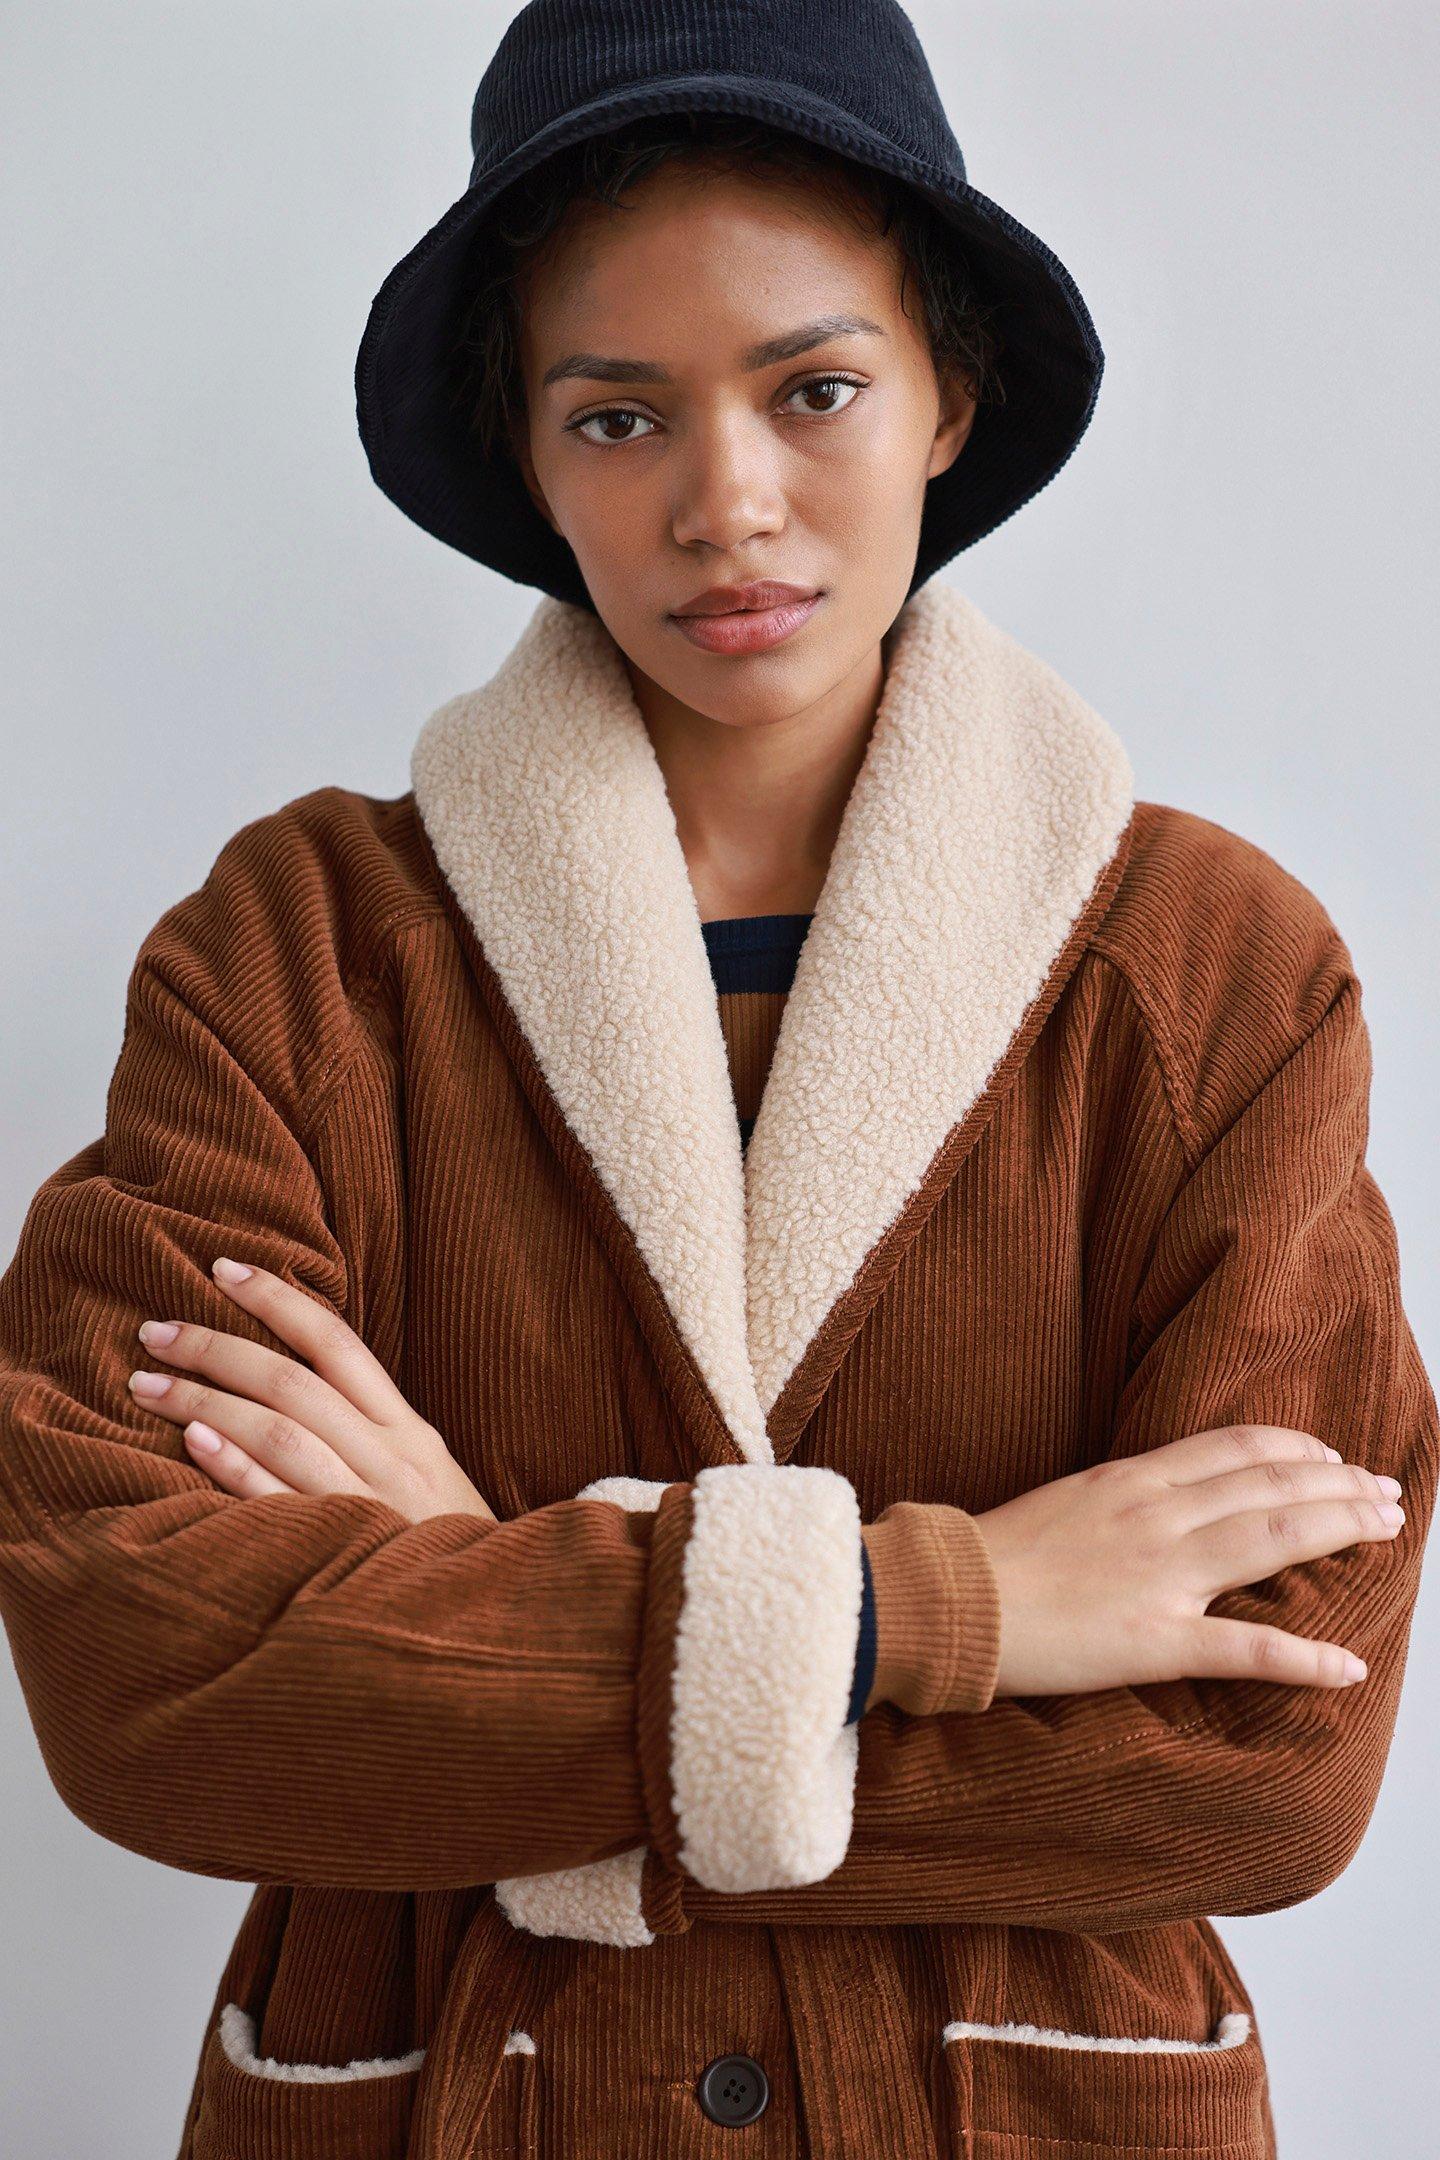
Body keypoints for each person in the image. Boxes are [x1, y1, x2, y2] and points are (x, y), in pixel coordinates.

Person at [0, 3, 1433, 2155]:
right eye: (617, 416)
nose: (727, 503)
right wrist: (943, 1612)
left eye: (816, 389)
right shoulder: (293, 959)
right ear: (527, 452)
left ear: (949, 396)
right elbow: (146, 1677)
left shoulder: (1212, 974)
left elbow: (1266, 1764)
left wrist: (483, 1605)